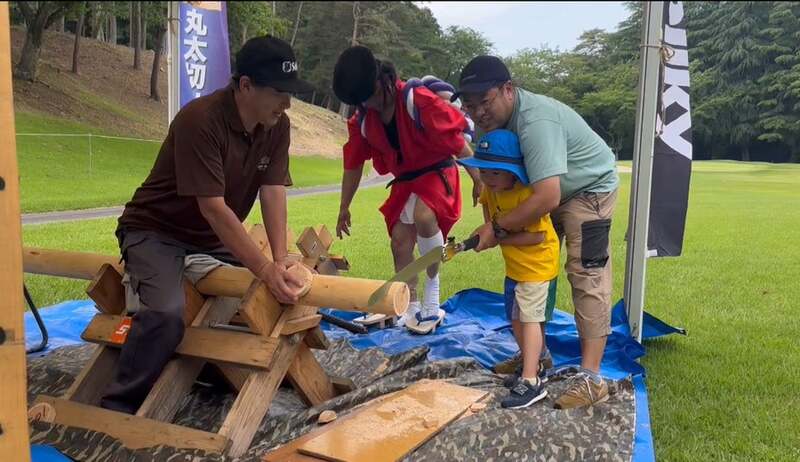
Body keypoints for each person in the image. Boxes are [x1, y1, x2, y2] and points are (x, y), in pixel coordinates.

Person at [100, 36, 312, 414]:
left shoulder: (277, 126)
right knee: (166, 314)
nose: (288, 103)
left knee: (266, 295)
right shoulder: (200, 119)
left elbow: (273, 189)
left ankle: (216, 373)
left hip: (210, 237)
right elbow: (213, 208)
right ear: (245, 85)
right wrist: (264, 269)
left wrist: (279, 260)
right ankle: (118, 407)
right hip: (155, 231)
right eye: (280, 93)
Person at [455, 55, 619, 409]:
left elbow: (548, 196)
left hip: (588, 189)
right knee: (534, 273)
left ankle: (591, 378)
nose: (478, 113)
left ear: (508, 90)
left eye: (485, 102)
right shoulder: (493, 123)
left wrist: (497, 227)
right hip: (547, 191)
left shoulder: (535, 122)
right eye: (470, 106)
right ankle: (537, 355)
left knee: (586, 273)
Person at [332, 45, 481, 334]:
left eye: (369, 97)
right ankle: (409, 304)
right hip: (406, 181)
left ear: (380, 81)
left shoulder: (417, 100)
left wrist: (478, 179)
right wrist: (343, 207)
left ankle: (432, 295)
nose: (368, 105)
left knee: (425, 216)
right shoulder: (363, 118)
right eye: (360, 102)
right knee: (399, 240)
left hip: (438, 172)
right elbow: (352, 164)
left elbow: (457, 142)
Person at [459, 129, 559, 409]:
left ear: (513, 172)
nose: (488, 179)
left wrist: (498, 239)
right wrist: (487, 236)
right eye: (484, 172)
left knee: (529, 319)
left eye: (495, 173)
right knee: (516, 317)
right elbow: (490, 223)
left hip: (538, 266)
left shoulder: (527, 196)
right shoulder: (490, 193)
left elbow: (536, 237)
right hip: (515, 267)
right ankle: (535, 363)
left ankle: (531, 381)